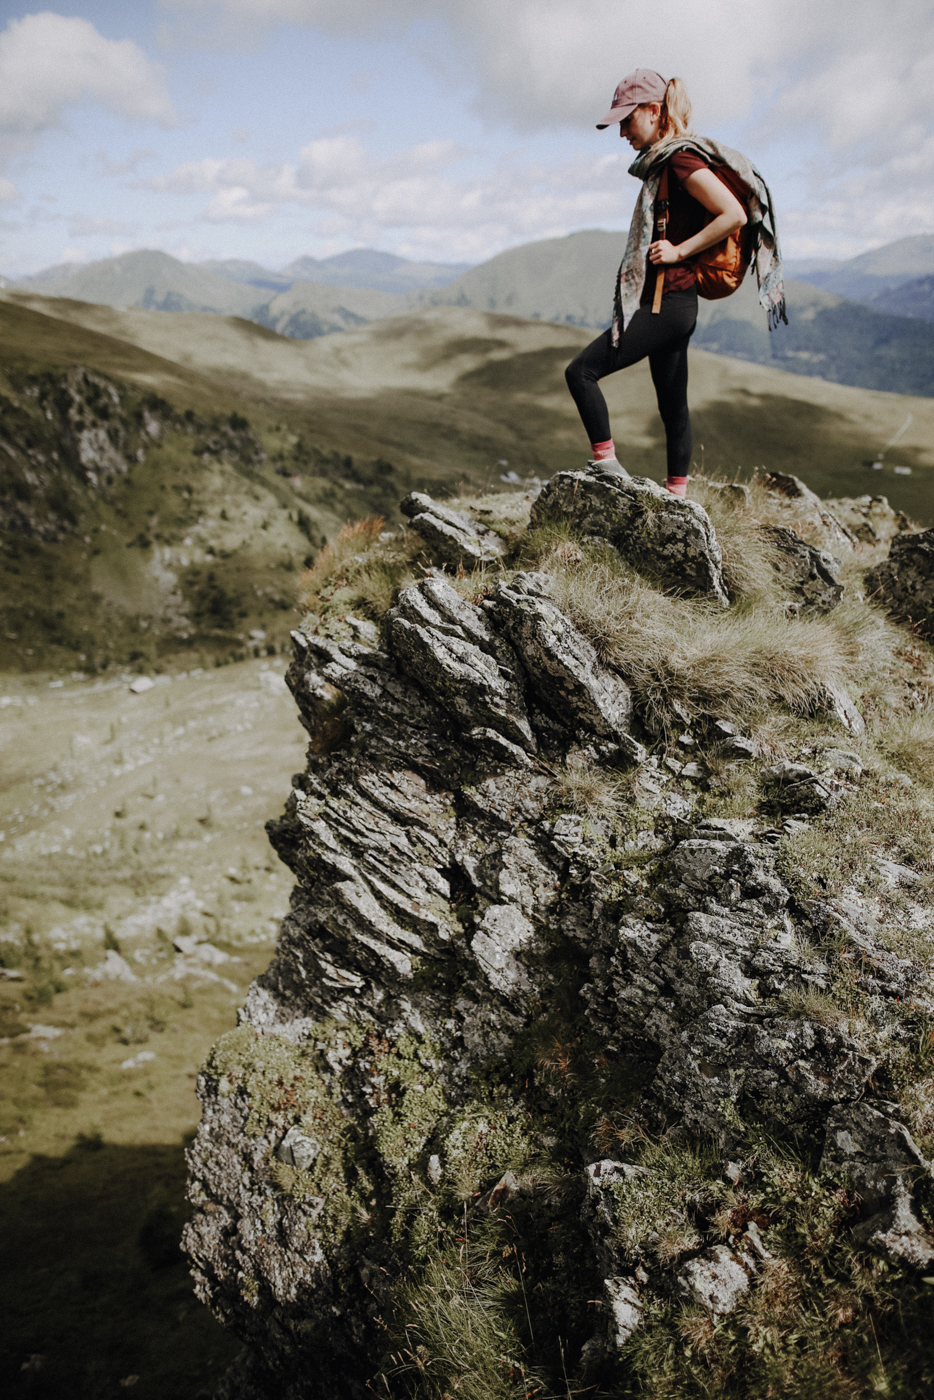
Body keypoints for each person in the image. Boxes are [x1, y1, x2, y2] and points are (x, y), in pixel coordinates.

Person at [565, 68, 785, 497]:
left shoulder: (681, 159)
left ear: (653, 111)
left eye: (627, 120)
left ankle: (606, 467)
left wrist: (680, 251)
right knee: (673, 408)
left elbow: (733, 214)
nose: (622, 132)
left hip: (669, 304)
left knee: (581, 372)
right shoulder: (660, 165)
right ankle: (678, 499)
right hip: (674, 304)